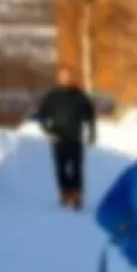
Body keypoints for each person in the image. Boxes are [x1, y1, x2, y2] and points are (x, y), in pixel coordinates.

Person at [34, 67, 97, 208]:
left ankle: (77, 195)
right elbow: (41, 115)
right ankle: (65, 193)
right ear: (58, 78)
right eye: (63, 77)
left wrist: (92, 133)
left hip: (75, 137)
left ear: (71, 78)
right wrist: (48, 131)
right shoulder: (52, 96)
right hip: (58, 138)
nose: (66, 79)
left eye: (68, 76)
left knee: (77, 168)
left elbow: (90, 115)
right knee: (61, 168)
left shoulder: (79, 95)